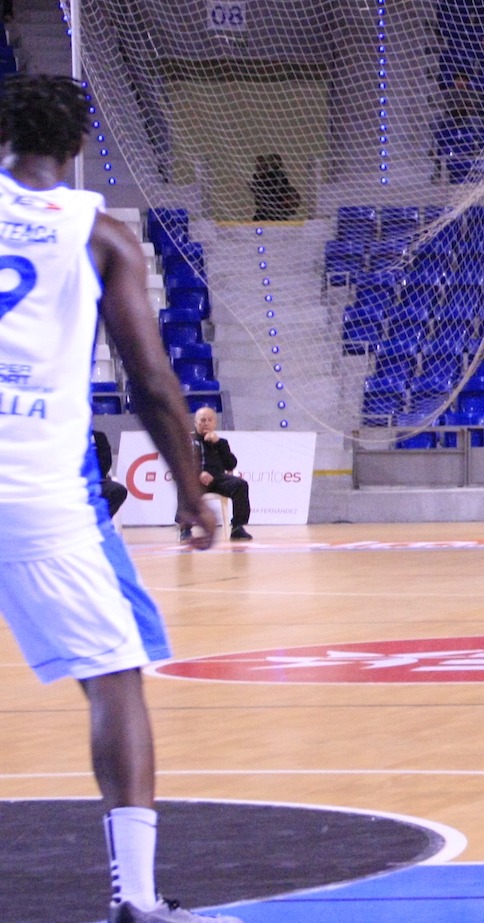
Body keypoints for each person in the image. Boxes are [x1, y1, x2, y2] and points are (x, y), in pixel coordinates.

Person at [0, 75, 239, 922]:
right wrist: (191, 490)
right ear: (77, 146)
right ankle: (135, 898)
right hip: (33, 482)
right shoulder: (97, 233)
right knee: (114, 674)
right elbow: (151, 378)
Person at [187, 407, 251, 542]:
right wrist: (199, 474)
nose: (206, 423)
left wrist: (218, 444)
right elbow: (181, 463)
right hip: (194, 480)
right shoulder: (187, 440)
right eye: (202, 420)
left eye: (210, 420)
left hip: (217, 480)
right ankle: (185, 529)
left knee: (240, 484)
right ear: (195, 422)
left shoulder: (221, 442)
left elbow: (230, 465)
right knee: (184, 486)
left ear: (215, 423)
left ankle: (237, 527)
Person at [247, 153, 300, 223]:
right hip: (265, 214)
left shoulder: (279, 178)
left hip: (276, 214)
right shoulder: (259, 180)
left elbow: (290, 196)